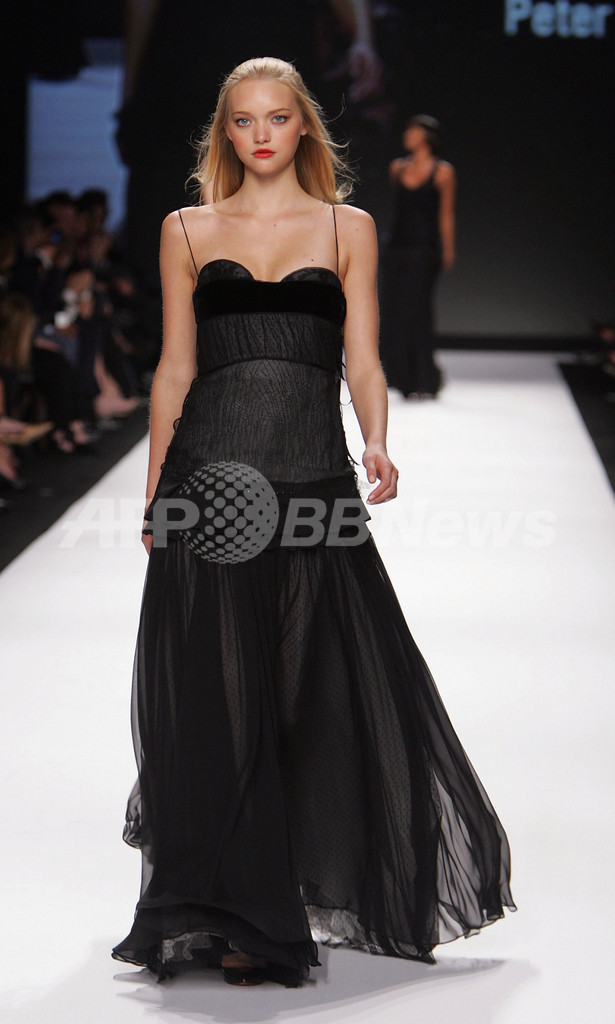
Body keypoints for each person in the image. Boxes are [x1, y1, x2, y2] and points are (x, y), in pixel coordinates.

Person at [112, 57, 514, 989]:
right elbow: (175, 369)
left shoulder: (347, 227)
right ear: (225, 131)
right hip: (210, 481)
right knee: (218, 697)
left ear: (303, 127)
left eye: (277, 118)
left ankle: (276, 893)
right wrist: (155, 492)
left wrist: (377, 439)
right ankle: (234, 910)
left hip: (313, 480)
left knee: (308, 690)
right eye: (243, 120)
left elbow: (361, 358)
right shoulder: (185, 228)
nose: (260, 134)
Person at [379, 115, 456, 398]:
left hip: (424, 251)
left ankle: (423, 378)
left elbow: (445, 215)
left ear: (426, 137)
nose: (407, 135)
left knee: (418, 312)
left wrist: (448, 249)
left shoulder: (443, 172)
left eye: (413, 131)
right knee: (394, 311)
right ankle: (399, 376)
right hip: (397, 249)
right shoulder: (397, 168)